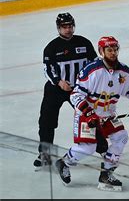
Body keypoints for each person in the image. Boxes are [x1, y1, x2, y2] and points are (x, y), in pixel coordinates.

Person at [55, 36, 129, 191]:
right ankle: (64, 162)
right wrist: (89, 114)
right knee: (88, 147)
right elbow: (75, 95)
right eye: (109, 50)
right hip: (85, 115)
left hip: (108, 116)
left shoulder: (124, 72)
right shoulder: (92, 71)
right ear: (101, 51)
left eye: (115, 50)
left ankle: (106, 174)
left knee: (121, 137)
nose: (113, 53)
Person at [34, 13, 102, 171]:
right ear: (58, 28)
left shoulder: (84, 43)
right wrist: (59, 81)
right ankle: (45, 153)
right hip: (55, 90)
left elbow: (94, 64)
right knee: (46, 122)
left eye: (70, 26)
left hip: (79, 90)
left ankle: (103, 148)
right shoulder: (51, 47)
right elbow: (48, 69)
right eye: (65, 27)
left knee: (91, 117)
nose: (68, 29)